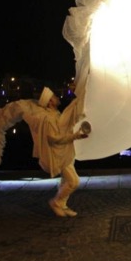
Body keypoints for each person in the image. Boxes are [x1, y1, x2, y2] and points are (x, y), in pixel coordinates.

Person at [36, 87, 88, 217]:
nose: (57, 98)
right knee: (73, 181)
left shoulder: (56, 114)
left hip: (64, 153)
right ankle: (56, 202)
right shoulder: (48, 118)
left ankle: (63, 205)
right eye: (54, 97)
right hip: (58, 155)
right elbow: (54, 138)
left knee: (66, 181)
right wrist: (75, 136)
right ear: (50, 102)